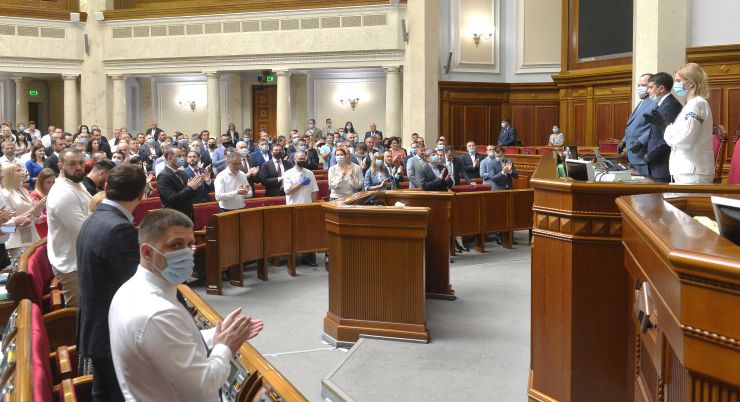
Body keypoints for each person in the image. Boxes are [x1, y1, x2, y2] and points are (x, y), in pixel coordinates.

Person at [109, 209, 263, 401]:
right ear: (147, 252)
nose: (186, 252)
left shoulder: (130, 289)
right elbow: (204, 386)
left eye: (190, 244)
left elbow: (166, 347)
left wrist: (214, 337)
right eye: (175, 245)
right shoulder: (157, 313)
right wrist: (226, 347)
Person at [77, 164, 146, 402]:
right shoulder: (119, 228)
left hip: (95, 326)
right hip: (111, 332)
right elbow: (141, 283)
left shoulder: (94, 219)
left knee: (103, 395)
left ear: (106, 187)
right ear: (142, 194)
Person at [47, 148, 92, 307]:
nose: (78, 167)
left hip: (80, 258)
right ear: (61, 166)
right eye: (72, 164)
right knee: (77, 314)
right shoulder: (62, 192)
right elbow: (84, 230)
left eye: (81, 162)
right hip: (72, 264)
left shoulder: (77, 184)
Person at [663, 63, 714, 184]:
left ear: (690, 82)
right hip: (686, 169)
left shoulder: (697, 104)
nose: (675, 85)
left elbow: (684, 139)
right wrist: (672, 132)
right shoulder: (690, 105)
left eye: (678, 81)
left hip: (694, 172)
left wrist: (667, 129)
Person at [637, 72, 683, 182]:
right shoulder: (662, 104)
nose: (648, 91)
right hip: (657, 165)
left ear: (661, 88)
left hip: (663, 165)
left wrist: (650, 156)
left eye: (650, 87)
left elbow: (668, 137)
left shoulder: (670, 106)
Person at [0, 164, 44, 258]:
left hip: (33, 236)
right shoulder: (4, 194)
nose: (22, 172)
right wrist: (33, 210)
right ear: (9, 174)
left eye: (21, 170)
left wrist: (38, 210)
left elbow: (33, 218)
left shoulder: (24, 190)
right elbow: (6, 226)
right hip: (16, 241)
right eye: (18, 170)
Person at [619, 73, 656, 176]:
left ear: (651, 86)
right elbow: (634, 126)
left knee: (646, 190)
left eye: (643, 85)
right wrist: (624, 140)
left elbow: (655, 127)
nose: (640, 88)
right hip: (633, 155)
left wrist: (641, 141)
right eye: (638, 85)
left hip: (643, 154)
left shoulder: (655, 103)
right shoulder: (642, 102)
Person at [156, 147, 203, 222]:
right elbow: (172, 198)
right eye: (179, 156)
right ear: (170, 157)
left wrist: (196, 187)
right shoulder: (163, 176)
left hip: (187, 214)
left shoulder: (182, 173)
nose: (182, 158)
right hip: (173, 217)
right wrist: (190, 188)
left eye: (182, 156)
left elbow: (191, 194)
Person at [30, 168, 55, 238]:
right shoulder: (35, 195)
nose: (52, 185)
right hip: (42, 230)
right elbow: (37, 218)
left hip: (52, 228)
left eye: (54, 182)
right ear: (41, 182)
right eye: (49, 182)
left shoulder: (53, 193)